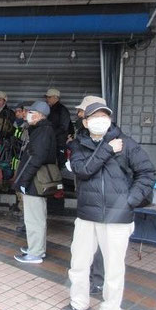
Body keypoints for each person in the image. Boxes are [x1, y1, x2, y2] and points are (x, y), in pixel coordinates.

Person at [60, 102, 155, 310]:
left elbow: (147, 174)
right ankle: (79, 303)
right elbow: (83, 171)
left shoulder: (127, 143)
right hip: (87, 215)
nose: (100, 120)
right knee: (79, 264)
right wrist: (107, 149)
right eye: (95, 117)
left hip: (117, 218)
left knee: (113, 268)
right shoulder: (79, 146)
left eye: (104, 116)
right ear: (85, 122)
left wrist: (128, 202)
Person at [70, 96, 108, 296]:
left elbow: (143, 173)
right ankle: (87, 279)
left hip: (104, 200)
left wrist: (131, 199)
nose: (78, 114)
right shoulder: (82, 137)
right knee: (85, 243)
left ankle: (99, 280)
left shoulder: (114, 140)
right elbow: (80, 167)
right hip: (86, 196)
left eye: (82, 110)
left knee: (102, 241)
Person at [13, 101, 56, 264]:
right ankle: (37, 247)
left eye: (31, 112)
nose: (28, 114)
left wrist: (24, 180)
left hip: (35, 180)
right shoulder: (40, 130)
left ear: (40, 115)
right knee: (36, 216)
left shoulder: (43, 131)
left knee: (34, 218)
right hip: (35, 179)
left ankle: (35, 252)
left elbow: (36, 158)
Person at [45, 88, 72, 167]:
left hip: (60, 142)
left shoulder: (62, 110)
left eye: (49, 97)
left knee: (61, 163)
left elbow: (64, 127)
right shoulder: (50, 109)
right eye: (47, 97)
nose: (47, 99)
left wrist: (52, 134)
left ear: (56, 97)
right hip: (52, 141)